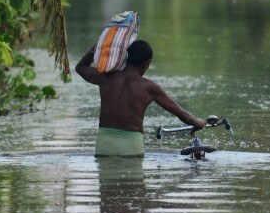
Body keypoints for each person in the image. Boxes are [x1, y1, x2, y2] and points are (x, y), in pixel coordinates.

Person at [76, 39, 205, 157]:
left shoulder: (106, 78)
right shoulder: (149, 87)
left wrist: (97, 47)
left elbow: (80, 68)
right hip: (131, 146)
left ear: (126, 59)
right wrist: (198, 123)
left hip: (104, 145)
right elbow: (183, 115)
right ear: (146, 64)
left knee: (107, 181)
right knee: (134, 182)